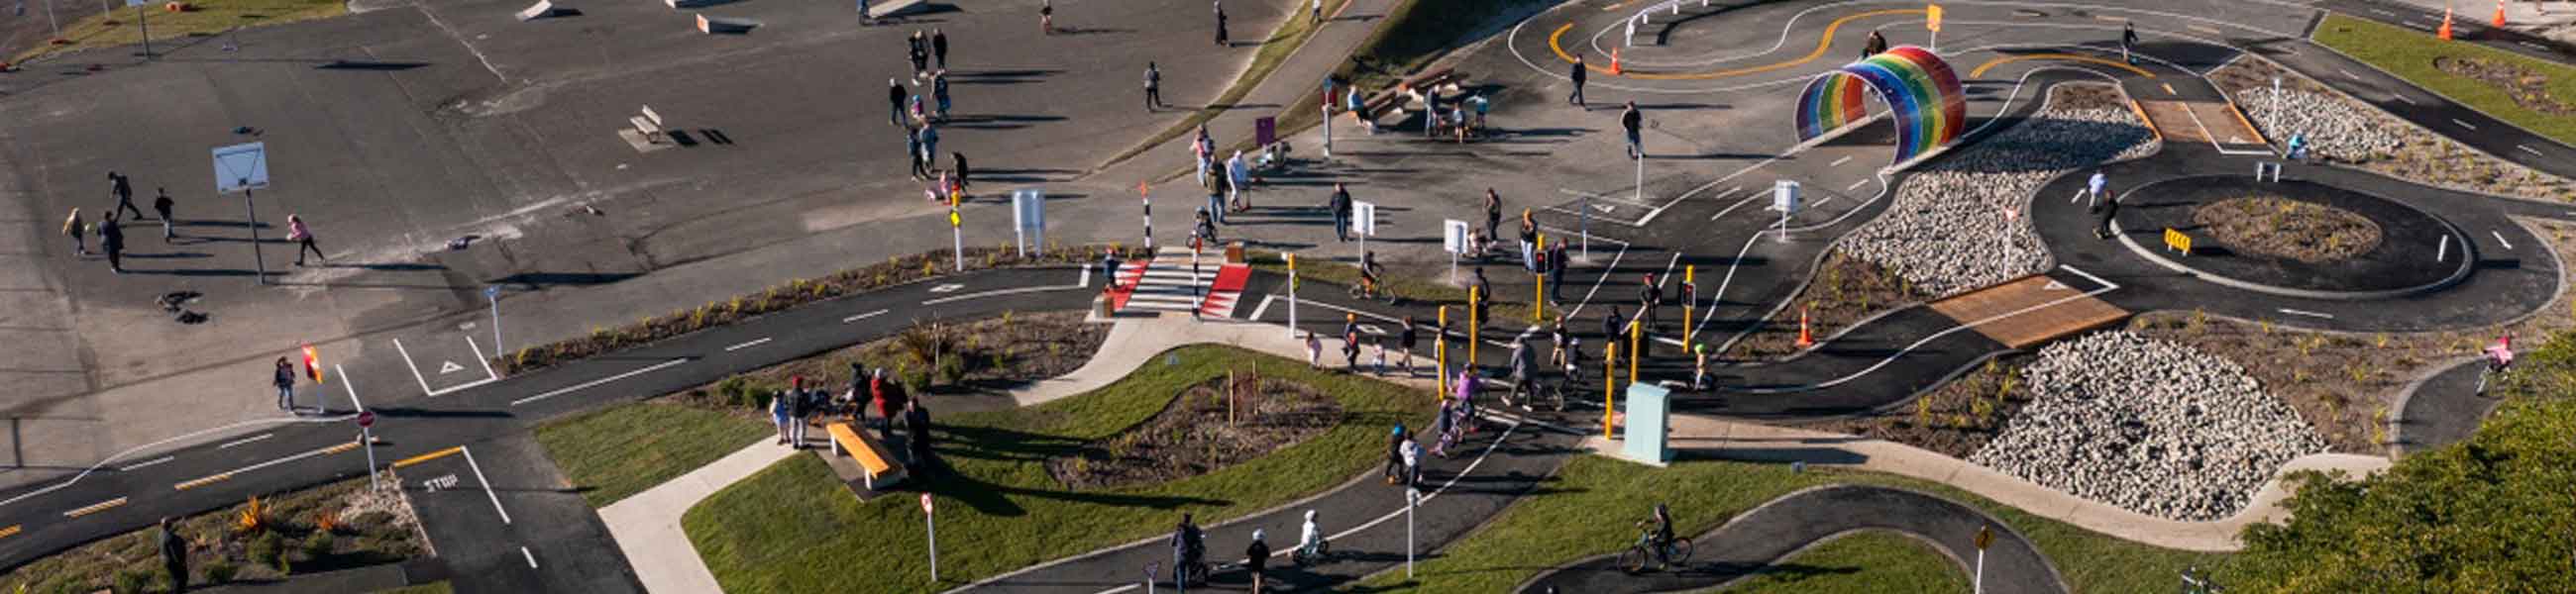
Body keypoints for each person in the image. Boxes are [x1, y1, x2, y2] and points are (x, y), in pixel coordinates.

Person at [1171, 514, 1206, 587]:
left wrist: (1177, 546)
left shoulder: (1178, 530)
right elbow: (1198, 540)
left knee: (1179, 569)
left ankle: (1181, 586)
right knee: (1192, 565)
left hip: (1179, 554)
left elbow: (1172, 543)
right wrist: (1201, 546)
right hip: (1190, 553)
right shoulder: (1193, 528)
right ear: (1190, 519)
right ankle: (1189, 580)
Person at [159, 517, 189, 593]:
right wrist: (181, 562)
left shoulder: (161, 534)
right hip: (173, 561)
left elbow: (170, 530)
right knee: (180, 578)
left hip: (165, 560)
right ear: (170, 524)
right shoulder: (170, 537)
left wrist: (180, 524)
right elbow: (174, 553)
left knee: (174, 578)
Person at [903, 399, 933, 465]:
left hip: (923, 435)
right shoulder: (906, 413)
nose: (913, 408)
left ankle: (926, 463)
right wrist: (919, 423)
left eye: (914, 406)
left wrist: (916, 424)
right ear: (909, 407)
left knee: (925, 450)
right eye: (911, 407)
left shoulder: (923, 411)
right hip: (912, 436)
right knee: (912, 451)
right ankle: (914, 464)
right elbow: (908, 425)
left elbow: (926, 423)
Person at [1243, 529, 1270, 594]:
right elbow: (1268, 554)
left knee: (1253, 576)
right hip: (1260, 565)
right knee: (1258, 578)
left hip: (1252, 565)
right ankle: (1257, 591)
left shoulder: (1252, 546)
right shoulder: (1264, 546)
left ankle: (1253, 588)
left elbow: (1248, 553)